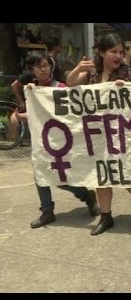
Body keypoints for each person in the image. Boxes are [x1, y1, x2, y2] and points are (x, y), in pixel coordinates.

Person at [66, 33, 131, 236]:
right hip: (97, 135)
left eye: (121, 52)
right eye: (113, 51)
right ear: (102, 52)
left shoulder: (127, 72)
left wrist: (127, 89)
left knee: (125, 176)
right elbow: (70, 84)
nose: (118, 56)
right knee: (101, 176)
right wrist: (78, 69)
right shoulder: (91, 72)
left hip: (121, 134)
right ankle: (106, 218)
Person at [15, 53, 100, 228]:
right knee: (40, 173)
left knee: (60, 179)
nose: (43, 69)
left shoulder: (60, 88)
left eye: (45, 65)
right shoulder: (32, 91)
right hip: (42, 142)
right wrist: (24, 113)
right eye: (38, 67)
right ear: (32, 70)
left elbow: (70, 115)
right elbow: (35, 113)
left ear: (51, 67)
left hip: (61, 142)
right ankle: (47, 211)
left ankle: (85, 195)